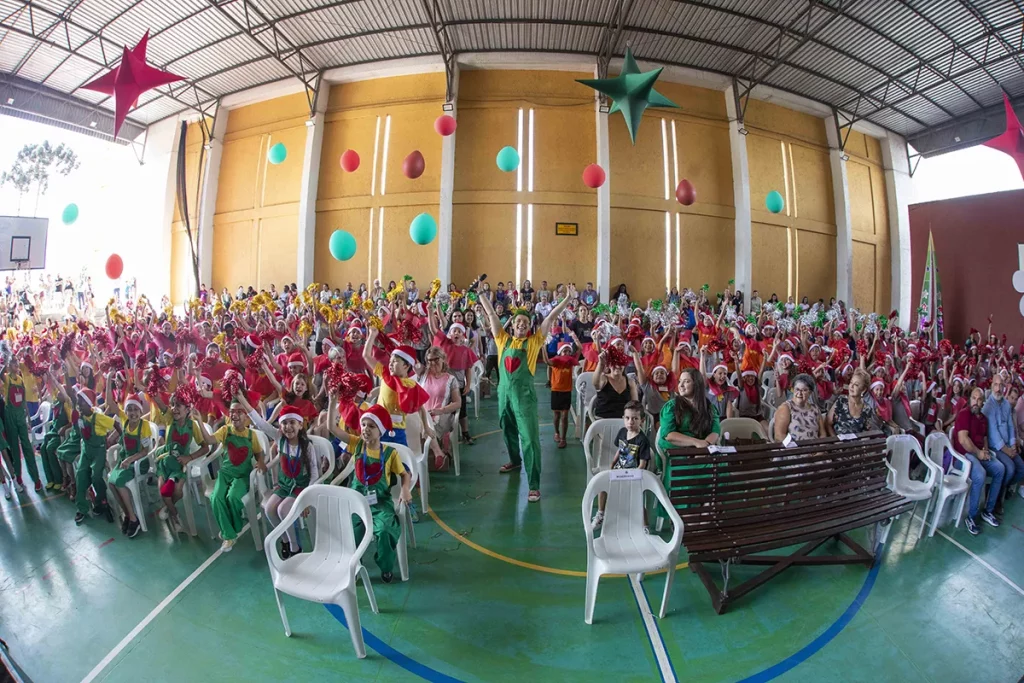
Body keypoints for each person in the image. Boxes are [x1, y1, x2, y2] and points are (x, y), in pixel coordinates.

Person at [478, 279, 575, 502]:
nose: (521, 324)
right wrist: (482, 295)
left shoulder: (533, 343)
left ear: (529, 326)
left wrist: (567, 299)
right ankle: (515, 460)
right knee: (507, 428)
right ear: (512, 325)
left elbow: (550, 318)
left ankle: (533, 484)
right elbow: (492, 316)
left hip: (524, 397)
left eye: (525, 322)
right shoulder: (502, 339)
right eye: (518, 321)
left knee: (530, 439)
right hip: (504, 395)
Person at [328, 403, 412, 583]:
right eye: (364, 424)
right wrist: (331, 402)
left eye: (371, 426)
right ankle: (353, 565)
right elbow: (331, 428)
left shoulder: (390, 454)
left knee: (385, 530)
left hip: (380, 503)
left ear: (380, 430)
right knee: (350, 530)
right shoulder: (356, 445)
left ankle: (386, 566)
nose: (366, 429)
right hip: (356, 502)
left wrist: (405, 489)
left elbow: (405, 474)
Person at [201, 400, 267, 552]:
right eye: (232, 411)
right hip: (225, 474)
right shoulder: (225, 430)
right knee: (216, 497)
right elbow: (210, 440)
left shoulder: (251, 436)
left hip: (242, 476)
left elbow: (258, 452)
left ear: (246, 417)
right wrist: (199, 421)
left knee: (233, 497)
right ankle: (229, 535)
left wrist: (261, 462)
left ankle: (233, 527)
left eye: (239, 412)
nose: (234, 414)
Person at [591, 400, 651, 531]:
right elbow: (620, 449)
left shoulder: (643, 440)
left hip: (634, 474)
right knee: (603, 486)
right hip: (619, 470)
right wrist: (613, 463)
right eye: (628, 418)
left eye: (635, 418)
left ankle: (645, 527)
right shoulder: (622, 432)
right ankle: (601, 514)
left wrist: (632, 476)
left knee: (638, 501)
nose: (631, 422)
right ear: (623, 418)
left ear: (642, 420)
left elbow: (642, 464)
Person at [957, 388, 1005, 534]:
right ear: (969, 399)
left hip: (979, 453)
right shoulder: (964, 414)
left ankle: (988, 511)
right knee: (980, 474)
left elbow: (984, 438)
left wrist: (985, 451)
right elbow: (963, 440)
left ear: (983, 402)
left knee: (1000, 469)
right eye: (973, 398)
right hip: (964, 455)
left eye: (979, 399)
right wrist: (979, 453)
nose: (975, 402)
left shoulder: (983, 418)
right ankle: (971, 516)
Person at [105, 392, 153, 538]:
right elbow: (110, 403)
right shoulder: (125, 421)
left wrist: (131, 459)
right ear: (125, 412)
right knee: (111, 483)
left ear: (140, 411)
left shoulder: (144, 426)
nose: (133, 413)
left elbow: (145, 451)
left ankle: (134, 519)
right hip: (124, 461)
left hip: (139, 463)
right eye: (129, 410)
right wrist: (108, 378)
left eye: (136, 409)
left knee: (118, 482)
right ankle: (127, 513)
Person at [982, 374, 1024, 513]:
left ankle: (1000, 489)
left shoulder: (1006, 404)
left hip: (1007, 446)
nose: (998, 388)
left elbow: (1011, 427)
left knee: (1021, 468)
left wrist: (1012, 445)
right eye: (996, 384)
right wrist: (1007, 450)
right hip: (996, 447)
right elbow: (993, 434)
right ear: (991, 385)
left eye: (1001, 385)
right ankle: (996, 497)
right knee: (1010, 468)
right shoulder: (989, 406)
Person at [773, 373, 825, 442]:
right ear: (793, 390)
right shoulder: (786, 408)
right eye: (797, 389)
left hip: (814, 450)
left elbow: (823, 434)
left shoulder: (815, 408)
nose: (799, 393)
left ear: (810, 392)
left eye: (804, 390)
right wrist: (796, 449)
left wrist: (820, 450)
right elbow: (779, 436)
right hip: (793, 450)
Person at [546, 340, 579, 448]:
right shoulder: (555, 361)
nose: (567, 353)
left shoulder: (571, 362)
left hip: (567, 391)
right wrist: (543, 347)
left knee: (565, 416)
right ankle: (557, 433)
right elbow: (547, 363)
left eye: (569, 351)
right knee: (556, 415)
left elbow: (580, 349)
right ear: (560, 352)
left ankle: (563, 439)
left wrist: (574, 337)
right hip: (556, 390)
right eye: (565, 351)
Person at [592, 346, 638, 419]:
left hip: (623, 420)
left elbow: (635, 403)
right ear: (609, 365)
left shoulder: (630, 382)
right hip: (603, 419)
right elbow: (595, 383)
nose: (617, 366)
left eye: (620, 364)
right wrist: (600, 364)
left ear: (624, 366)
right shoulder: (604, 378)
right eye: (614, 363)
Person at [827, 368, 875, 435]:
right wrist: (835, 441)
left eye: (856, 385)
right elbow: (828, 424)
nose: (851, 386)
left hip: (857, 444)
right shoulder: (841, 401)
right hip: (839, 443)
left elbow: (867, 432)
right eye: (851, 382)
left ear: (863, 389)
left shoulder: (867, 408)